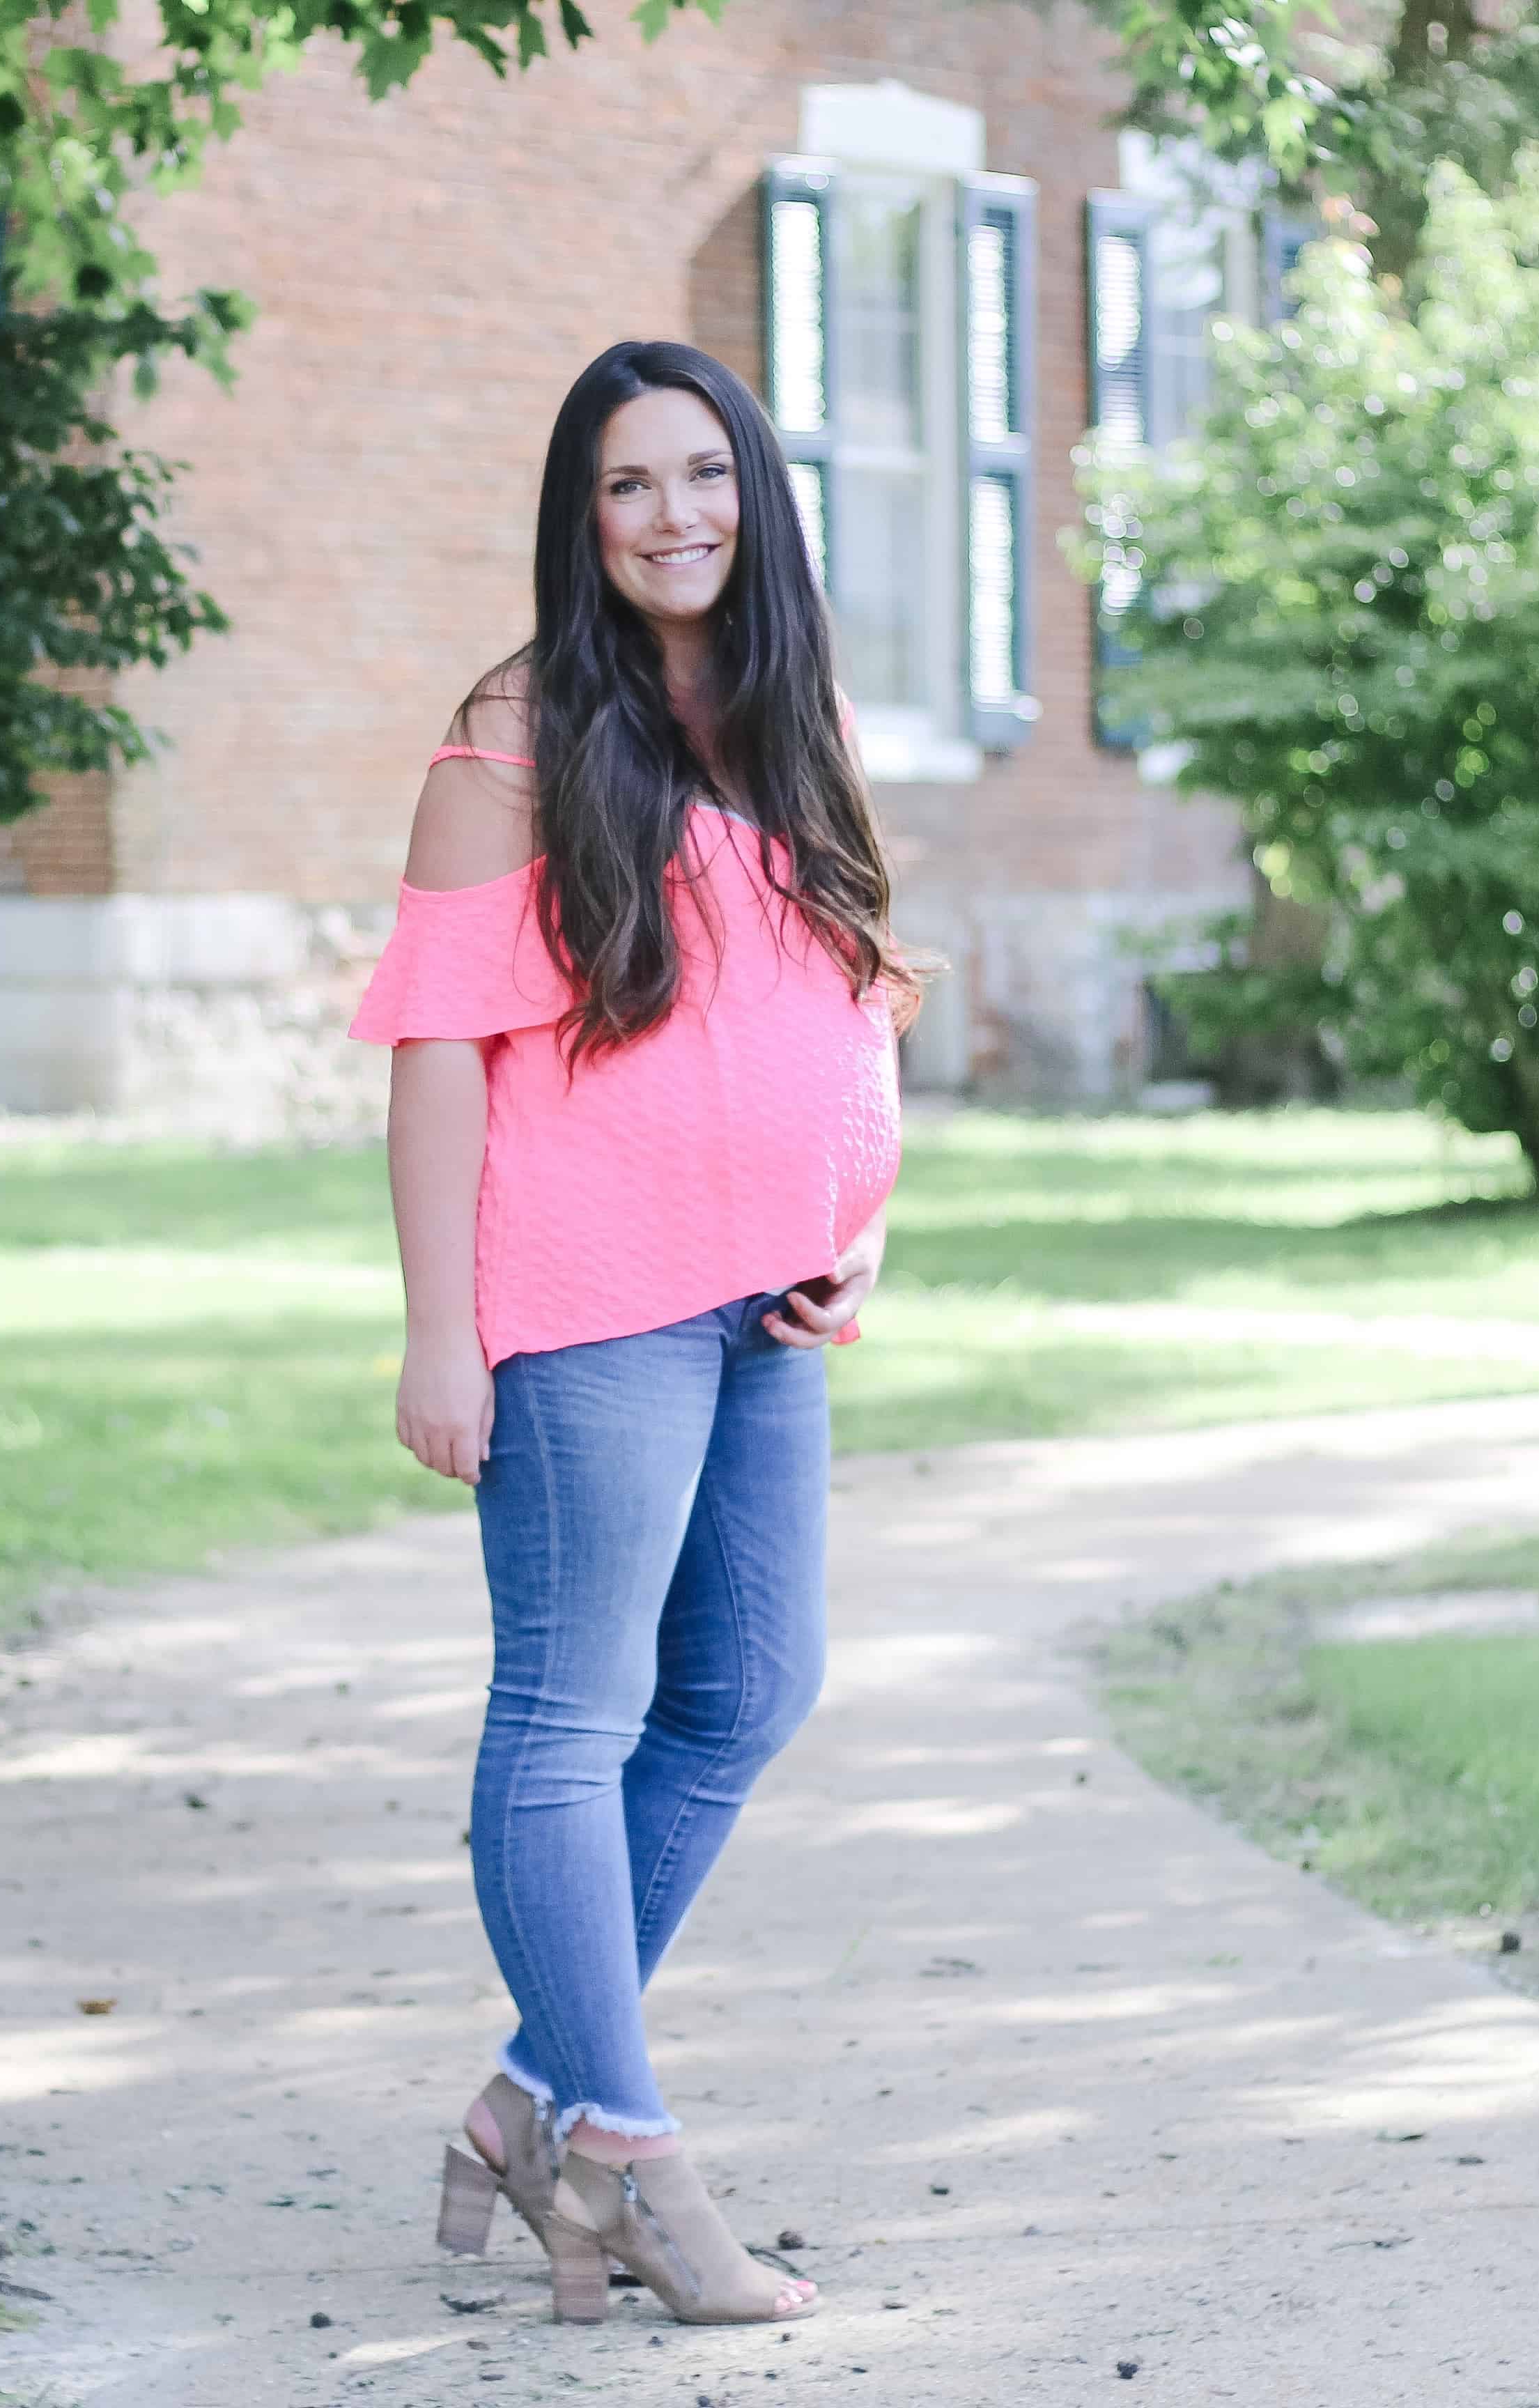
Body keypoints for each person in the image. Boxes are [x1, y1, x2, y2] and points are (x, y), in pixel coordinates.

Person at [349, 338, 912, 2326]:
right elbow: (437, 1047)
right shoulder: (517, 729)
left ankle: (528, 2101)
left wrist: (866, 1230)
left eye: (705, 474)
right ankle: (634, 2161)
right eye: (627, 486)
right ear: (579, 521)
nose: (674, 515)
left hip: (772, 1298)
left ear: (753, 491)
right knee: (571, 1716)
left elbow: (853, 992)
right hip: (585, 1300)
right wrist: (443, 1331)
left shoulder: (790, 704)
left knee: (752, 1687)